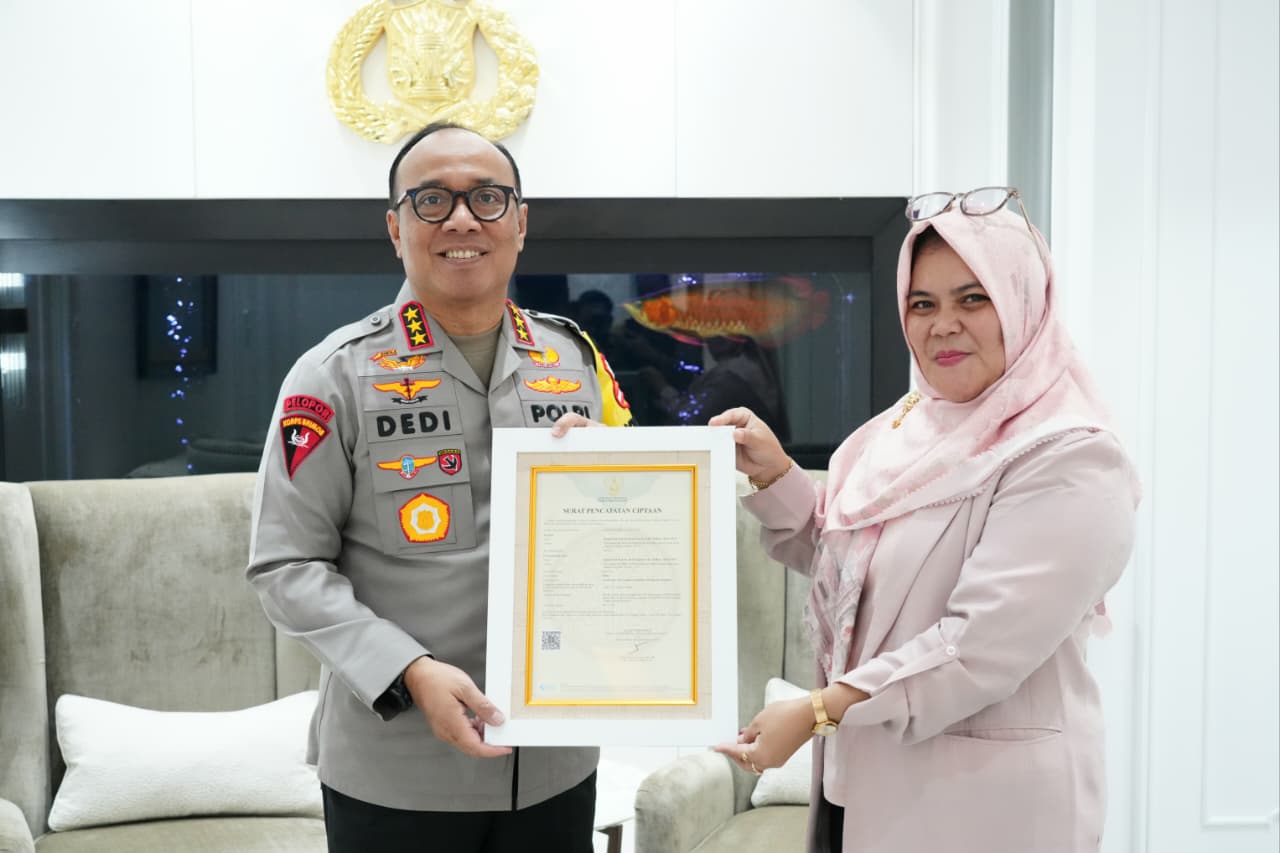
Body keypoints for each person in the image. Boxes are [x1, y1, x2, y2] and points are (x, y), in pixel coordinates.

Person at [708, 189, 1140, 853]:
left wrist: (819, 709)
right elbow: (852, 570)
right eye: (923, 303)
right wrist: (774, 474)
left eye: (973, 299)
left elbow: (977, 647)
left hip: (984, 809)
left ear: (1024, 302)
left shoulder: (1070, 457)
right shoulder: (900, 431)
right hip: (860, 784)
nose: (943, 325)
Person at [246, 122, 631, 853]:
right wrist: (409, 670)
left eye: (487, 198)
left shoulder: (576, 360)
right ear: (396, 228)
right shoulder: (332, 376)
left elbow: (633, 524)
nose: (461, 219)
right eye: (431, 200)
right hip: (396, 771)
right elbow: (284, 565)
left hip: (554, 763)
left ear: (520, 222)